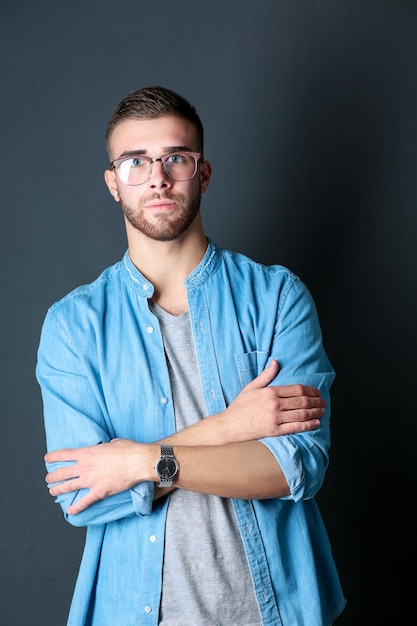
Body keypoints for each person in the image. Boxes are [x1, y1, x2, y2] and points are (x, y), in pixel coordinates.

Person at [36, 86, 346, 626]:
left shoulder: (276, 298)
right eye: (136, 161)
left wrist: (137, 460)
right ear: (113, 183)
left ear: (202, 173)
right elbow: (84, 495)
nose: (157, 177)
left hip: (273, 612)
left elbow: (297, 465)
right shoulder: (73, 327)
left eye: (175, 157)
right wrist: (231, 426)